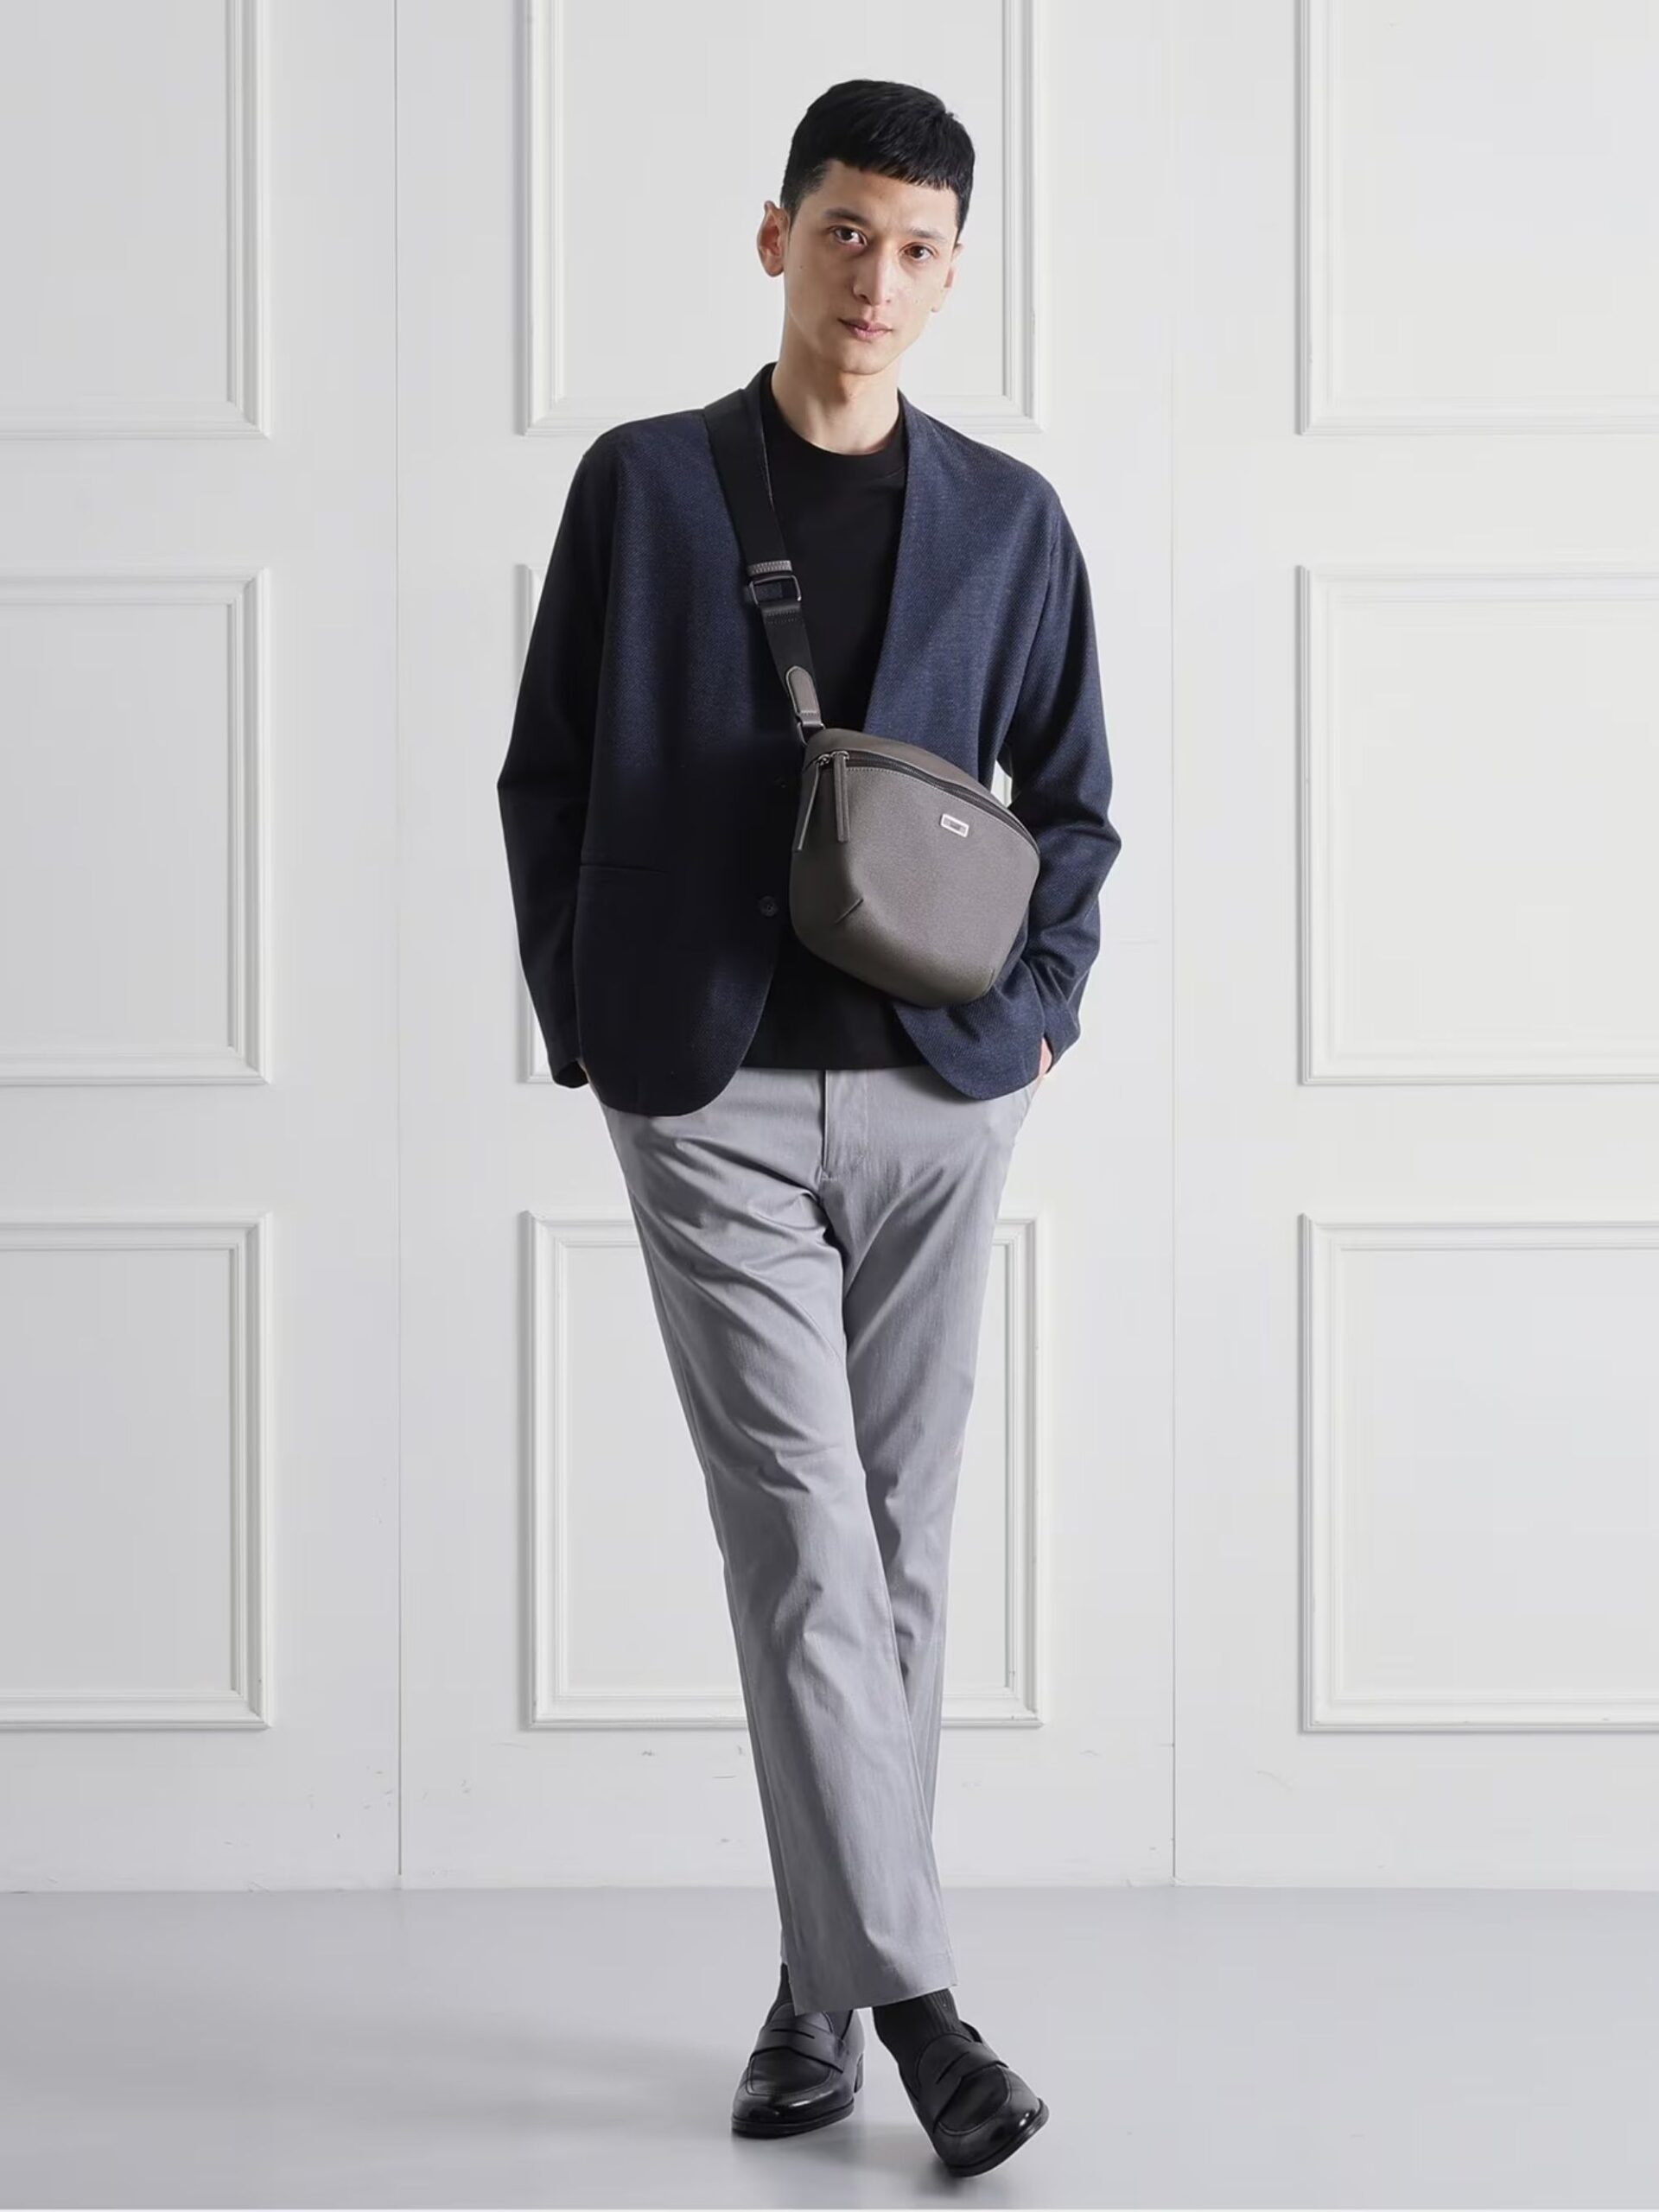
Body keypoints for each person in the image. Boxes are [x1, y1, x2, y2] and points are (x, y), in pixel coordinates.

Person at [498, 78, 1120, 2178]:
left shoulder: (1012, 521)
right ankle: (926, 2015)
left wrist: (1041, 1020)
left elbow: (1076, 805)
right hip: (711, 1086)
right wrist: (592, 1022)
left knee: (901, 1549)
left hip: (943, 1091)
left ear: (954, 272)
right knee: (802, 1529)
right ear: (777, 237)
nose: (878, 277)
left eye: (919, 247)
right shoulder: (649, 486)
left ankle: (815, 1987)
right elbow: (546, 774)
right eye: (846, 230)